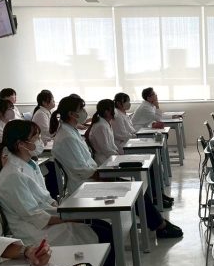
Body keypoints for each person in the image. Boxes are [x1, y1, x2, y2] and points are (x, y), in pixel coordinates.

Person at [0, 120, 120, 266]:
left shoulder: (28, 165)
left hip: (47, 219)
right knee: (102, 231)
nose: (39, 141)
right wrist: (69, 217)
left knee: (103, 226)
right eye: (35, 138)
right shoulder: (13, 175)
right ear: (20, 144)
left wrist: (67, 213)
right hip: (35, 232)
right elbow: (35, 216)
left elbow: (45, 198)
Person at [51, 95, 182, 238]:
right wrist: (106, 177)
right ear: (71, 114)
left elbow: (87, 164)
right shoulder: (67, 137)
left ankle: (158, 223)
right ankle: (160, 225)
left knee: (136, 188)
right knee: (133, 189)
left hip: (92, 176)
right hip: (84, 184)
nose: (84, 112)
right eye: (81, 109)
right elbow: (82, 170)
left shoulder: (71, 131)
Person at [86, 99, 121, 165]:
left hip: (109, 156)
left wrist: (117, 153)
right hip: (104, 160)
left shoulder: (106, 123)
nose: (115, 111)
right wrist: (118, 157)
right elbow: (105, 149)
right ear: (106, 112)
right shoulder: (100, 126)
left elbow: (111, 145)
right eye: (114, 109)